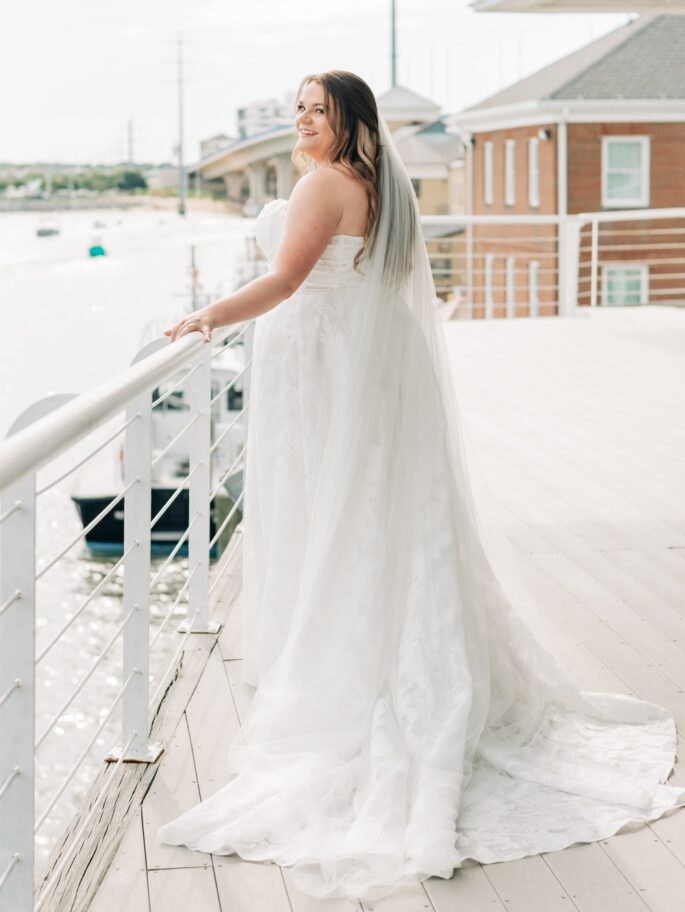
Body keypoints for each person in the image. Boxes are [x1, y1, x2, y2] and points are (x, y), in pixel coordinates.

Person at [159, 71, 685, 902]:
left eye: (316, 109)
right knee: (371, 515)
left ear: (350, 123)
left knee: (334, 512)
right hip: (359, 359)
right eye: (296, 106)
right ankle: (369, 640)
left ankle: (350, 661)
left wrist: (206, 318)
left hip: (325, 362)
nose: (301, 119)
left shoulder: (324, 183)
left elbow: (288, 282)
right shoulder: (366, 184)